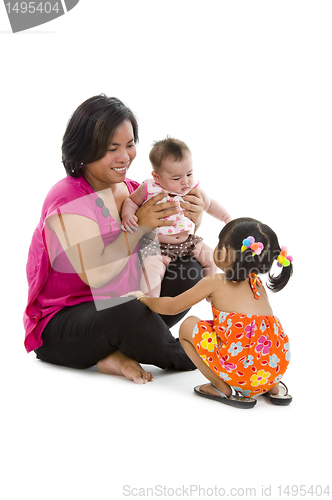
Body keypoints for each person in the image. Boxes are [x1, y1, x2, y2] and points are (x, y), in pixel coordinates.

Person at [23, 95, 206, 384]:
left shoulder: (132, 190)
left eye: (130, 144)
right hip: (61, 324)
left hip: (118, 304)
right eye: (112, 148)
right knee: (127, 310)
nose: (125, 157)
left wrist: (192, 218)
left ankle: (117, 349)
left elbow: (173, 237)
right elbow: (98, 275)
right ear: (85, 149)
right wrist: (141, 225)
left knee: (190, 270)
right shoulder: (66, 198)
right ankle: (206, 357)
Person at [128, 217, 293, 408]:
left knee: (189, 324)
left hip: (239, 370)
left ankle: (219, 386)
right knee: (261, 331)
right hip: (274, 366)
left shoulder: (214, 282)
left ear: (224, 252)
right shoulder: (257, 285)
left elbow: (173, 306)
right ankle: (272, 387)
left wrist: (145, 298)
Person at [121, 137, 232, 296]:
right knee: (151, 269)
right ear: (157, 176)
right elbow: (131, 201)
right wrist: (128, 215)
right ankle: (150, 303)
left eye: (189, 173)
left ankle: (212, 293)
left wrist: (226, 218)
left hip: (188, 242)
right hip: (156, 244)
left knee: (211, 257)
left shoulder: (192, 188)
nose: (185, 181)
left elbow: (209, 204)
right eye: (176, 178)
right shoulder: (149, 187)